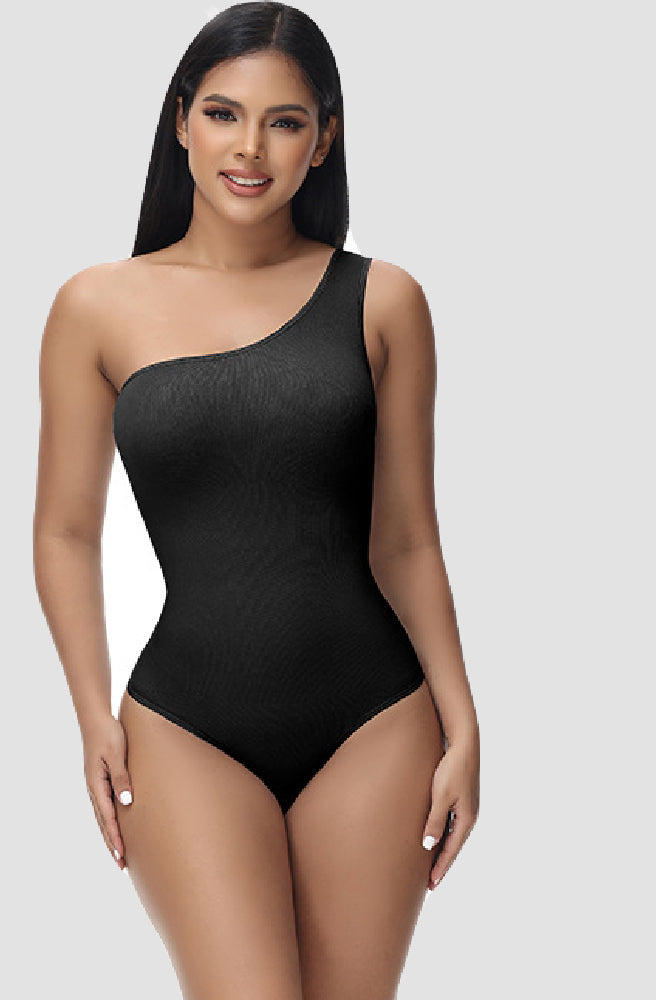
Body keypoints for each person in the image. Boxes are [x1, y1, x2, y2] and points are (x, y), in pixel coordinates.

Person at [33, 3, 480, 997]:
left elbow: (407, 540)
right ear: (180, 121)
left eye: (284, 122)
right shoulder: (93, 307)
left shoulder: (385, 300)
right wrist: (91, 717)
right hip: (184, 725)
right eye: (223, 113)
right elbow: (64, 531)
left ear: (323, 140)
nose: (249, 148)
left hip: (375, 721)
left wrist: (462, 722)